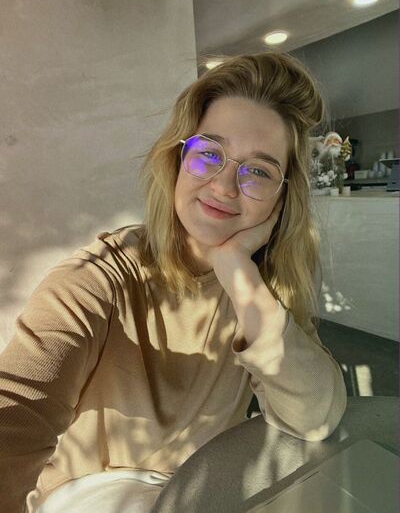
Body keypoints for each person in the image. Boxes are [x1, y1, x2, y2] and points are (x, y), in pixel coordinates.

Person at [0, 52, 347, 512]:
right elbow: (17, 416)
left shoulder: (259, 291)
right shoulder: (98, 279)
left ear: (281, 201)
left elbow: (314, 418)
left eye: (258, 171)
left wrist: (238, 274)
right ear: (177, 160)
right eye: (209, 153)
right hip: (92, 496)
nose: (224, 186)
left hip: (204, 491)